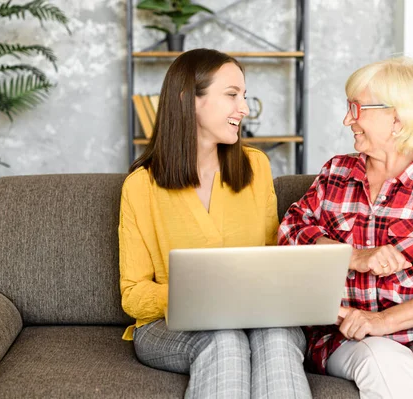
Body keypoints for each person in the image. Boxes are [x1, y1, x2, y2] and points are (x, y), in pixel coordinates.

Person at [278, 56, 413, 399]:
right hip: (348, 334)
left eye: (357, 107)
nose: (347, 119)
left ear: (397, 118)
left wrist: (380, 322)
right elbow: (289, 231)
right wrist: (353, 257)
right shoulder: (336, 175)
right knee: (385, 363)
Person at [119, 48, 311, 399]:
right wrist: (199, 296)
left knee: (279, 338)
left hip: (259, 318)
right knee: (224, 340)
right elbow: (133, 295)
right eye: (232, 95)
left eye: (245, 96)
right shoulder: (141, 187)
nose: (245, 109)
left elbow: (275, 257)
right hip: (170, 326)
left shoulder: (256, 168)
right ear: (188, 100)